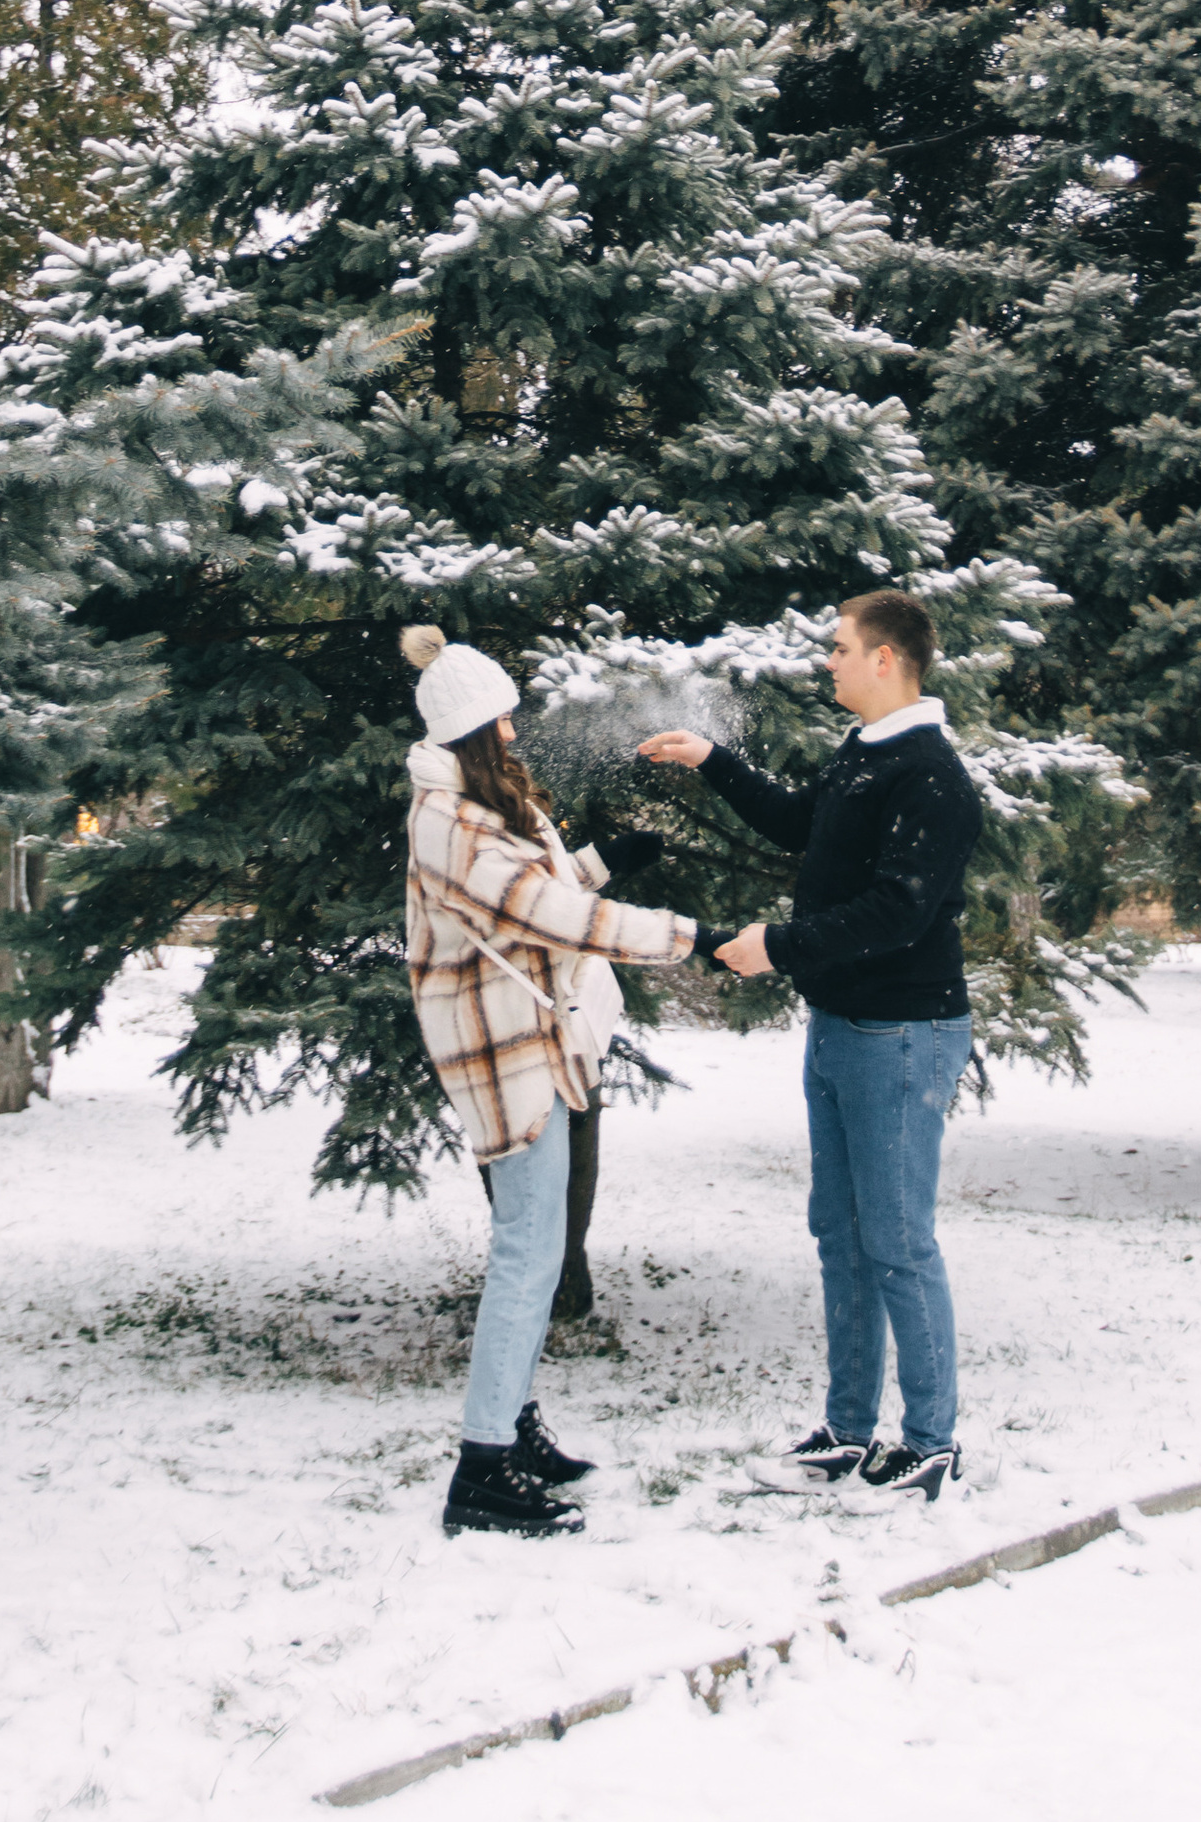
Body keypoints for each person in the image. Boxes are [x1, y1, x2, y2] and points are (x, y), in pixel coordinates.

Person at [637, 589, 982, 1503]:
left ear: (886, 659)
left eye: (839, 647)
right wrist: (714, 759)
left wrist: (778, 946)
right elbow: (802, 826)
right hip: (841, 1027)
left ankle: (934, 1439)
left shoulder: (932, 777)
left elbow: (900, 910)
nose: (826, 660)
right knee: (841, 1233)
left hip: (903, 1034)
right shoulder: (865, 756)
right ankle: (848, 1428)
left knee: (899, 1241)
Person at [400, 623, 705, 1540]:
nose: (515, 735)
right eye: (503, 722)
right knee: (528, 1253)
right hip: (503, 1054)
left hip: (539, 1039)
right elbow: (547, 912)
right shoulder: (446, 821)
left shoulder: (481, 807)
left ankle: (514, 1426)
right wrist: (691, 938)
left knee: (534, 1244)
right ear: (471, 730)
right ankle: (484, 1468)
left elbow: (554, 884)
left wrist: (614, 857)